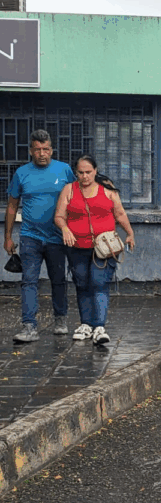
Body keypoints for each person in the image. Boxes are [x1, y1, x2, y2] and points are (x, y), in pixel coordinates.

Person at [54, 155, 135, 345]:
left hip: (103, 249)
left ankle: (99, 326)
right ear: (76, 173)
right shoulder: (69, 190)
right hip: (77, 247)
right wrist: (65, 228)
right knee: (82, 284)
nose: (84, 176)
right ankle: (86, 324)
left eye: (88, 172)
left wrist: (130, 233)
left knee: (99, 283)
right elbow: (59, 216)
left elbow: (120, 213)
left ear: (95, 171)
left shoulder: (107, 190)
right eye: (81, 173)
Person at [4, 130, 76, 343]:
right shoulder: (22, 173)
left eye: (46, 149)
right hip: (29, 237)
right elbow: (11, 206)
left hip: (57, 237)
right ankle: (29, 327)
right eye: (38, 150)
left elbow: (76, 198)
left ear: (51, 150)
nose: (42, 154)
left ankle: (61, 320)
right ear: (31, 151)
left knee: (59, 281)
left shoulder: (64, 170)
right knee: (28, 281)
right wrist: (8, 237)